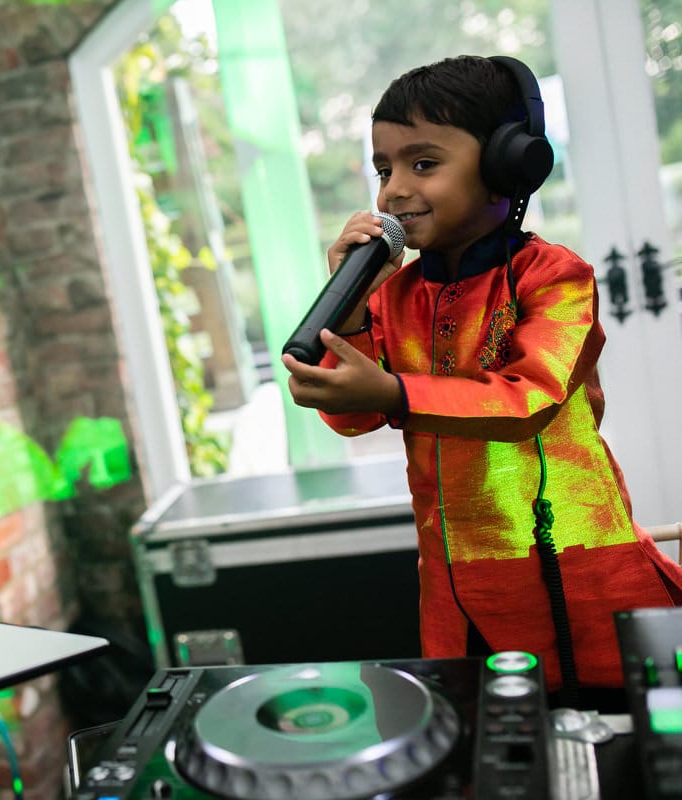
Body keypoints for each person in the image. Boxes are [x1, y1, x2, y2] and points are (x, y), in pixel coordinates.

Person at [281, 55, 682, 704]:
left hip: (572, 570)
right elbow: (351, 417)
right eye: (384, 170)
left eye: (423, 164)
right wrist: (350, 310)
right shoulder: (394, 294)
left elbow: (530, 400)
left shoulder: (554, 277)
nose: (393, 191)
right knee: (483, 740)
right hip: (456, 588)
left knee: (612, 737)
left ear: (506, 166)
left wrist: (393, 394)